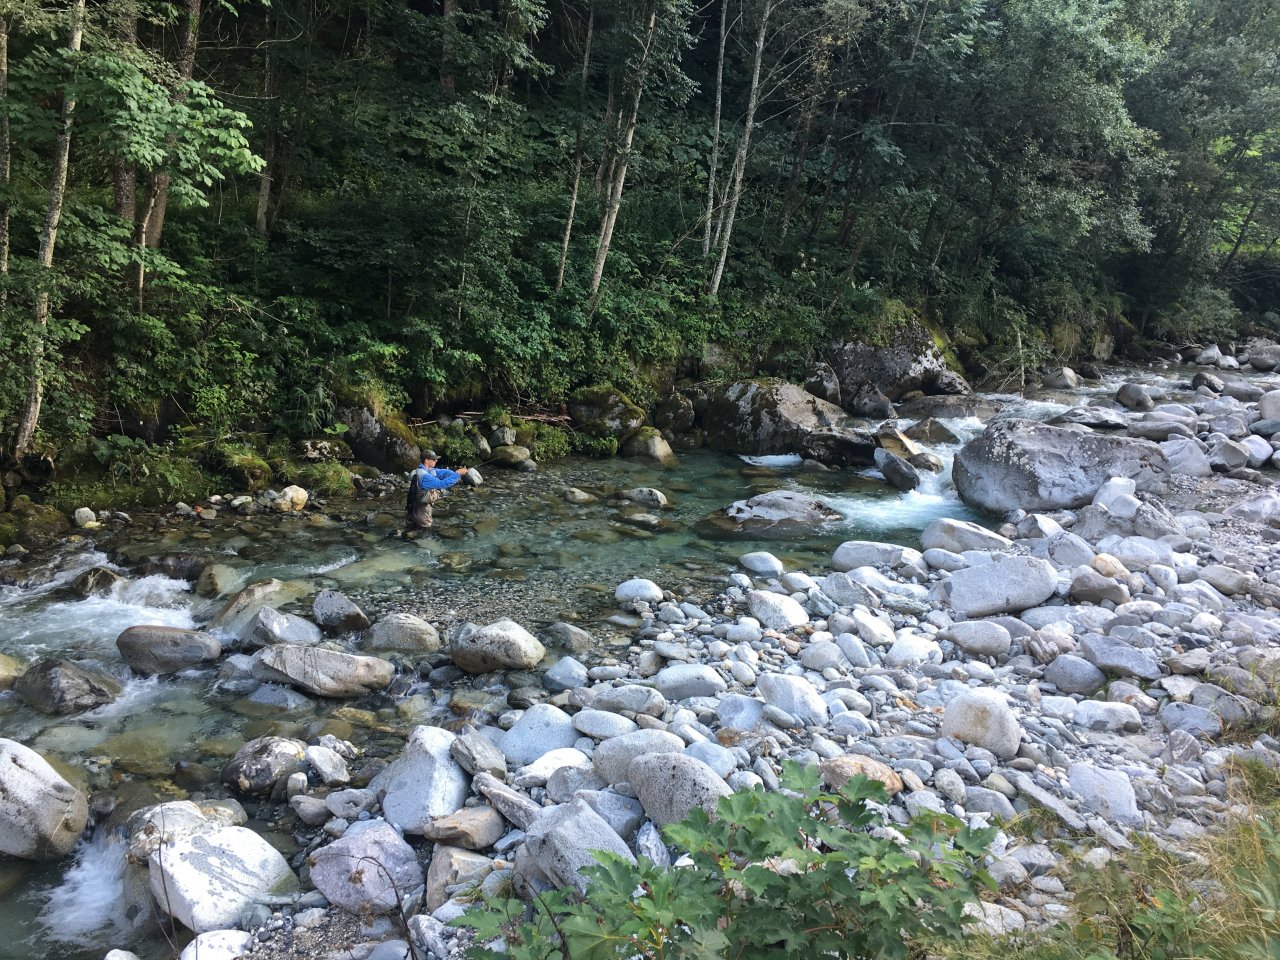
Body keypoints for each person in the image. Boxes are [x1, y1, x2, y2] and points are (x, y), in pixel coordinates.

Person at [405, 450, 469, 531]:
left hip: (413, 510)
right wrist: (458, 474)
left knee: (411, 532)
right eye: (434, 459)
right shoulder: (425, 476)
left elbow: (443, 472)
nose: (436, 460)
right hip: (420, 514)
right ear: (427, 461)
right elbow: (442, 484)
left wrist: (456, 472)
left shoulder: (426, 470)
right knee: (424, 535)